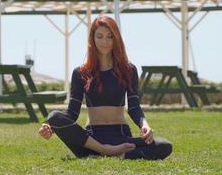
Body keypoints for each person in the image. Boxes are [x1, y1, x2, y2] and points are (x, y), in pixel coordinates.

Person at [38, 15, 172, 160]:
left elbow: (133, 107)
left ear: (116, 39)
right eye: (100, 36)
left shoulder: (129, 70)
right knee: (54, 117)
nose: (105, 42)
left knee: (164, 145)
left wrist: (144, 125)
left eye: (110, 37)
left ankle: (107, 153)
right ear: (92, 39)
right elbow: (72, 114)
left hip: (120, 136)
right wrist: (52, 127)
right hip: (92, 139)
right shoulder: (80, 73)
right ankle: (106, 151)